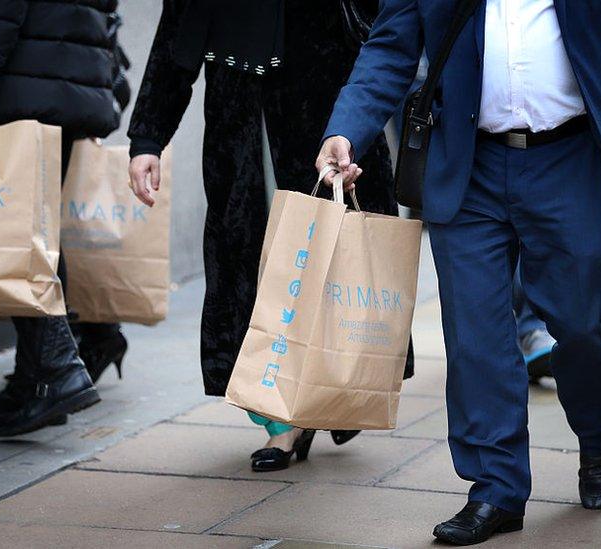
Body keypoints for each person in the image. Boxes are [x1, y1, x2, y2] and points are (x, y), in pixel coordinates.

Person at [317, 0, 601, 544]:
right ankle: (495, 487)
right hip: (466, 165)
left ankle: (598, 434)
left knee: (587, 322)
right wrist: (347, 131)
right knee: (476, 333)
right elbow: (390, 46)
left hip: (569, 157)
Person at [126, 0, 413, 472]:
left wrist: (356, 127)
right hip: (238, 124)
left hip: (328, 118)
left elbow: (380, 29)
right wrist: (147, 139)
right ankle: (280, 424)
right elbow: (177, 34)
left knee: (334, 263)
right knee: (253, 269)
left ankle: (337, 386)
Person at [0, 0, 131, 436]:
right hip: (57, 77)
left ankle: (57, 370)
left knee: (21, 233)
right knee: (33, 230)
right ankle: (37, 377)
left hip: (23, 79)